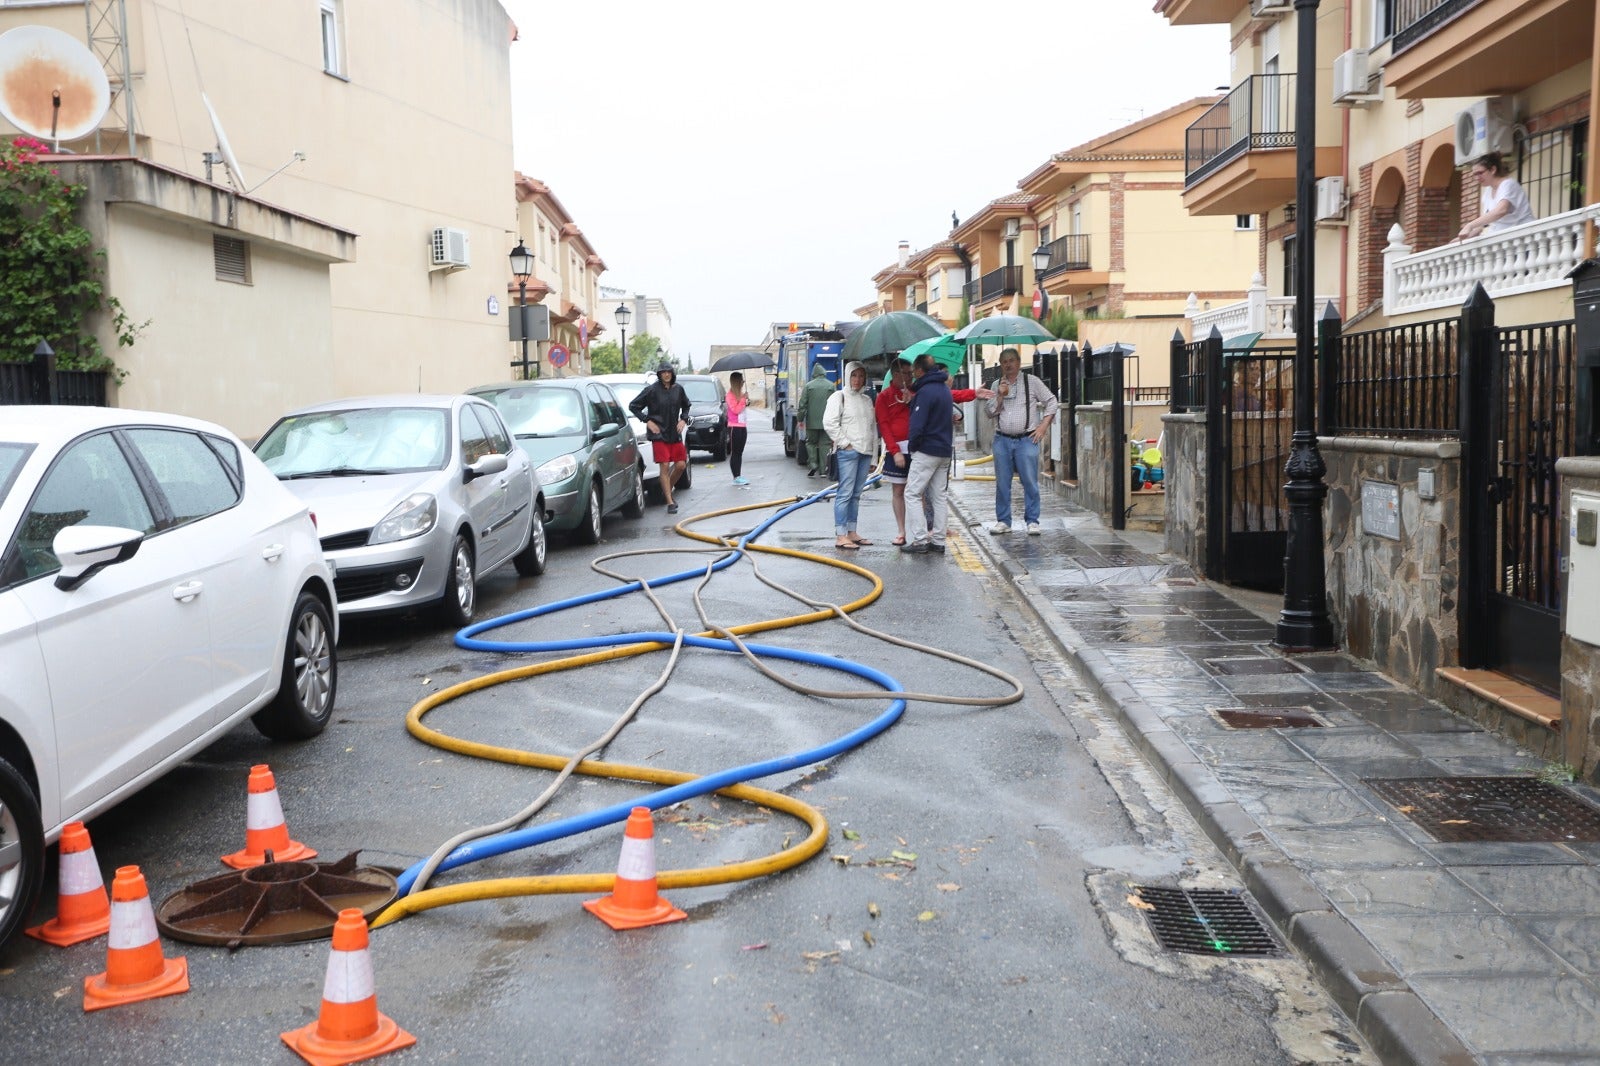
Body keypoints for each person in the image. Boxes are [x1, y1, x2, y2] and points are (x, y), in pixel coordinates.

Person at [876, 357, 990, 546]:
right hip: (902, 448)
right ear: (895, 374)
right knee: (901, 491)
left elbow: (951, 395)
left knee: (920, 493)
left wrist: (973, 393)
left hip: (920, 448)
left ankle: (925, 535)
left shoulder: (920, 390)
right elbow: (884, 426)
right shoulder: (884, 396)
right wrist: (894, 450)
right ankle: (903, 531)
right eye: (904, 373)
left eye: (910, 373)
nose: (909, 377)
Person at [984, 347, 1059, 536]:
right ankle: (1003, 521)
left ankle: (1032, 521)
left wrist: (1043, 427)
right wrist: (1000, 395)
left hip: (1026, 439)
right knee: (1002, 483)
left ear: (1018, 362)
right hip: (1002, 440)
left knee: (1030, 481)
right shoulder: (995, 385)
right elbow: (989, 412)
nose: (1008, 364)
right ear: (1001, 365)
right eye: (1004, 361)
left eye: (1011, 360)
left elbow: (1052, 401)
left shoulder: (1031, 382)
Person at [902, 353, 954, 555]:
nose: (913, 375)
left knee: (912, 493)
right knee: (939, 495)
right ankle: (939, 541)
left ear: (920, 370)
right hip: (944, 450)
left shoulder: (925, 392)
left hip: (926, 450)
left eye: (914, 371)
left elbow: (917, 425)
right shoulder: (944, 389)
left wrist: (913, 446)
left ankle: (920, 539)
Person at [823, 361, 876, 550]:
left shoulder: (867, 400)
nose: (858, 379)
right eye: (854, 375)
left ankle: (852, 532)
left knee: (856, 494)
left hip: (865, 453)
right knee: (844, 493)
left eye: (861, 376)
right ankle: (841, 534)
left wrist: (874, 457)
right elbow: (829, 423)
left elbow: (873, 429)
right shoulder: (839, 396)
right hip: (849, 453)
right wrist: (846, 444)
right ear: (847, 376)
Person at [627, 361, 691, 514]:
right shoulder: (651, 390)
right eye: (663, 372)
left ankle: (666, 490)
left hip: (674, 433)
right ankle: (669, 501)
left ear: (672, 373)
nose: (666, 374)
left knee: (681, 465)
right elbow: (633, 406)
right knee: (664, 465)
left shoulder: (678, 389)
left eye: (668, 371)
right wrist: (647, 420)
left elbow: (687, 405)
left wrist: (683, 419)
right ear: (659, 375)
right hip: (658, 433)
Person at [1459, 152, 1534, 239]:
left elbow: (1501, 211)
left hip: (1523, 238)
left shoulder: (1508, 184)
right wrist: (1467, 236)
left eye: (1480, 173)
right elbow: (1485, 223)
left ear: (1493, 170)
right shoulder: (1488, 191)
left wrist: (1470, 225)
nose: (1477, 178)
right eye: (1475, 174)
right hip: (1505, 240)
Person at [801, 363, 835, 477]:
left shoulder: (808, 386)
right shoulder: (831, 386)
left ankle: (813, 464)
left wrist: (800, 419)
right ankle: (823, 470)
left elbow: (802, 404)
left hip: (811, 422)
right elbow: (836, 404)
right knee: (825, 444)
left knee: (810, 443)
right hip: (827, 422)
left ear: (814, 374)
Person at [727, 371, 749, 485]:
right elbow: (735, 410)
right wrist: (743, 401)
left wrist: (745, 400)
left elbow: (742, 407)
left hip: (742, 426)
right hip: (734, 427)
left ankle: (739, 475)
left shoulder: (740, 394)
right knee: (735, 452)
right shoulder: (730, 395)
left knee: (740, 452)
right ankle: (736, 476)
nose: (742, 383)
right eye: (741, 381)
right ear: (737, 382)